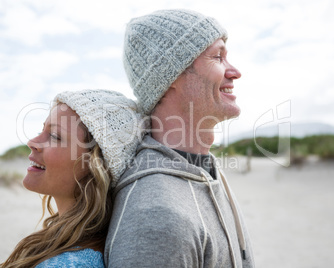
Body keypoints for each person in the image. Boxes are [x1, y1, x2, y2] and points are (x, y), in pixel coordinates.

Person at [105, 9, 254, 268]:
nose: (235, 72)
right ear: (171, 74)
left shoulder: (207, 172)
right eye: (218, 57)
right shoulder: (155, 215)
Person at [0, 89, 143, 268]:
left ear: (95, 166)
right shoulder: (66, 241)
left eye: (54, 136)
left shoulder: (69, 263)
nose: (32, 142)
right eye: (41, 130)